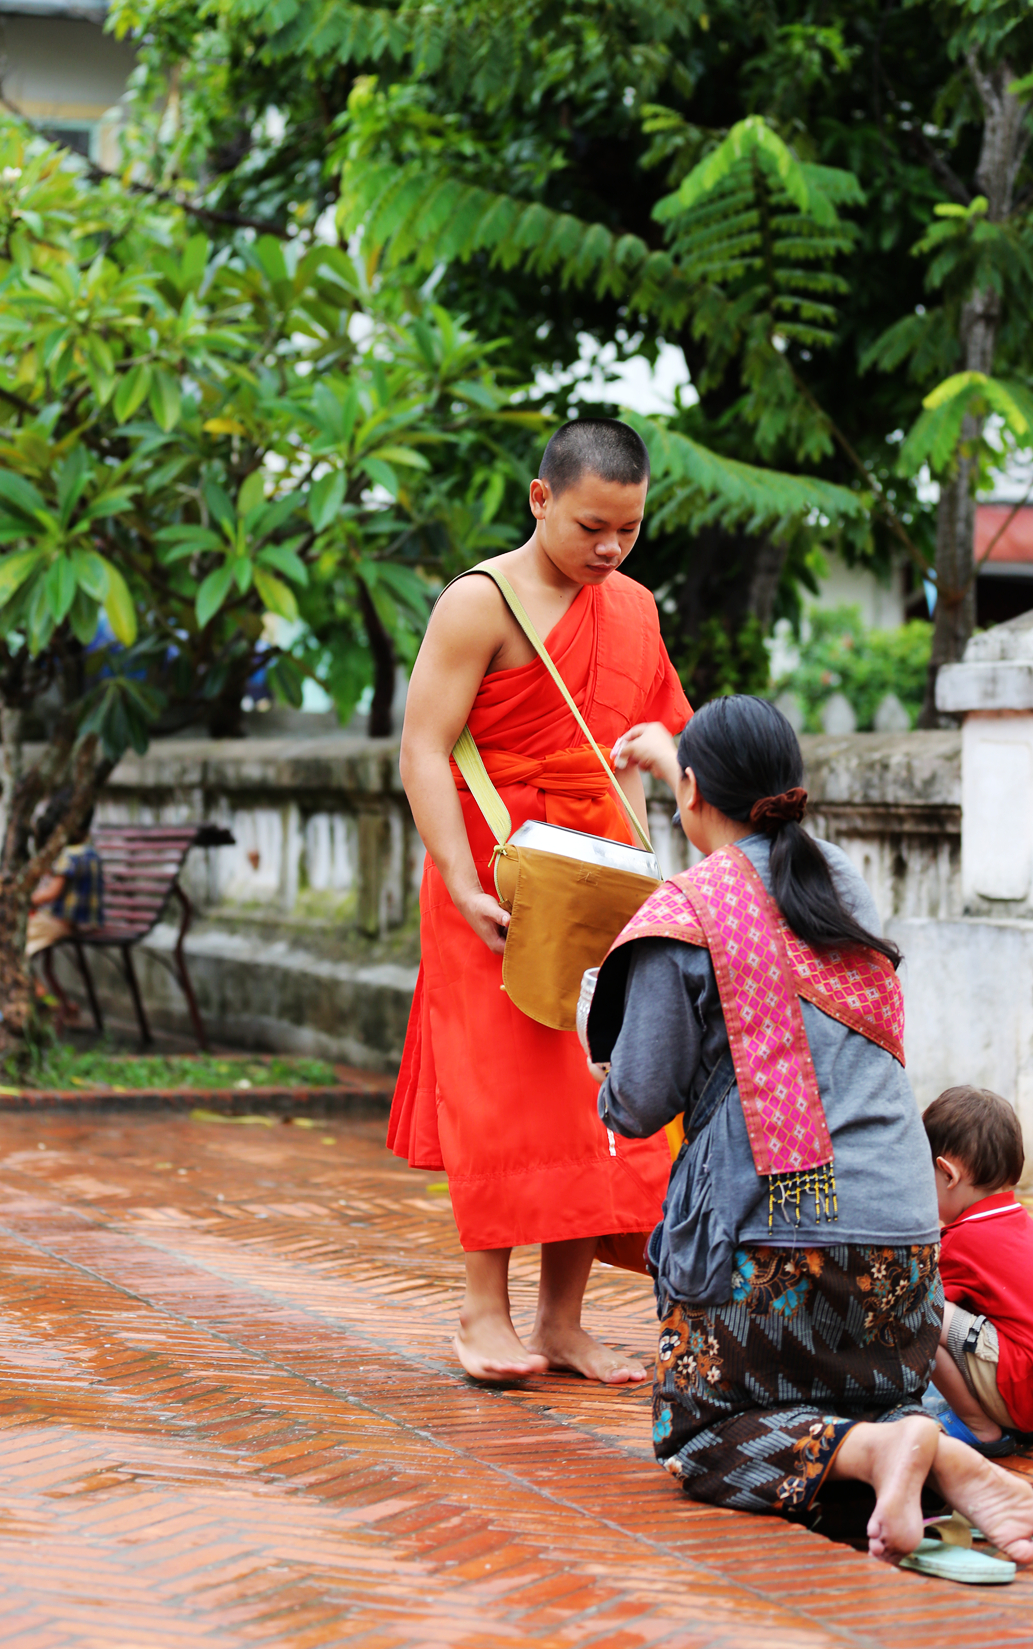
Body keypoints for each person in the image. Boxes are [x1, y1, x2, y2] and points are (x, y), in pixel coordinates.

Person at [585, 697, 1033, 1567]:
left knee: (699, 1434)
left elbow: (640, 1103)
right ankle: (913, 1434)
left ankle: (882, 1449)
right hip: (908, 1260)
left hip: (777, 1258)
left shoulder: (683, 912)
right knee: (857, 1393)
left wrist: (605, 1070)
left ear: (688, 790)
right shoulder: (839, 880)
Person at [389, 418, 692, 1385]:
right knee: (503, 1093)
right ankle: (483, 1316)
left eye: (629, 532)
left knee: (600, 1092)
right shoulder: (479, 604)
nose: (608, 549)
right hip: (496, 877)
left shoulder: (636, 610)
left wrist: (652, 883)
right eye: (592, 527)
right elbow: (423, 750)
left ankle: (562, 1321)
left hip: (600, 879)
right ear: (540, 499)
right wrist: (462, 878)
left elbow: (650, 747)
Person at [924, 1085, 1033, 1456]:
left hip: (1028, 1388)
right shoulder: (1017, 1222)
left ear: (947, 1174)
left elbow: (921, 1306)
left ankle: (981, 1427)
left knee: (916, 1308)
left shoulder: (963, 1240)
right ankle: (1017, 1420)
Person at [0, 789, 103, 1003]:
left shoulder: (70, 856)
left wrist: (23, 898)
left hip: (58, 922)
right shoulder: (89, 852)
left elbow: (52, 892)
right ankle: (42, 997)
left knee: (1, 949)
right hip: (72, 922)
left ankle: (41, 996)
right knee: (9, 949)